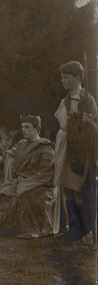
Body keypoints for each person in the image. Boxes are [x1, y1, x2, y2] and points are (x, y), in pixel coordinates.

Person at [0, 115, 55, 238]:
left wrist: (26, 183)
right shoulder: (22, 144)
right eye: (22, 127)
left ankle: (26, 228)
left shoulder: (46, 148)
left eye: (27, 127)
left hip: (40, 186)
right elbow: (6, 155)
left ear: (37, 129)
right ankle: (2, 222)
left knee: (22, 193)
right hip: (20, 182)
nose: (23, 130)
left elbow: (46, 174)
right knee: (6, 189)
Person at [53, 61, 97, 241]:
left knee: (77, 186)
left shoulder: (87, 99)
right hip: (64, 144)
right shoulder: (65, 100)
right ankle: (72, 228)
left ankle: (82, 228)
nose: (62, 80)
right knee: (66, 187)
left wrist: (88, 122)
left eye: (66, 77)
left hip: (78, 148)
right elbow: (61, 121)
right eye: (62, 77)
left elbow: (94, 126)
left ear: (78, 78)